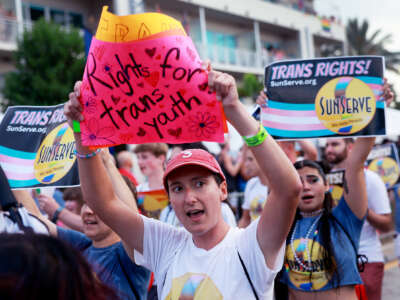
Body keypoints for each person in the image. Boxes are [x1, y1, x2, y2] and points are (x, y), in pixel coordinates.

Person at [64, 65, 302, 299]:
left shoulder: (251, 246)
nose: (189, 198)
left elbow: (288, 187)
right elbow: (102, 203)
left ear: (222, 189)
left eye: (199, 183)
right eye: (178, 188)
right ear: (170, 199)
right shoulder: (166, 245)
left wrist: (234, 110)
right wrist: (81, 131)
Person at [14, 149, 151, 300]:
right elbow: (35, 219)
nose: (89, 211)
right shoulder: (82, 244)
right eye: (87, 203)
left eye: (100, 205)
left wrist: (107, 161)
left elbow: (131, 225)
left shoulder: (129, 255)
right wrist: (12, 169)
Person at [279, 137, 375, 300]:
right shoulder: (282, 225)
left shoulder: (345, 217)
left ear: (326, 186)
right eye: (298, 182)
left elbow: (355, 163)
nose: (306, 186)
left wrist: (369, 117)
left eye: (313, 180)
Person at [324, 138, 392, 300]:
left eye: (334, 144)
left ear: (350, 147)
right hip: (333, 262)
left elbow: (387, 225)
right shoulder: (323, 181)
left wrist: (359, 207)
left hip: (365, 259)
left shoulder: (371, 179)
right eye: (326, 145)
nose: (329, 149)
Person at [0, 233, 117, 300]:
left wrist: (57, 210)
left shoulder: (126, 254)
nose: (89, 211)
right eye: (86, 204)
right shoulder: (79, 244)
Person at [238, 146, 269, 228]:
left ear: (263, 160)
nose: (246, 164)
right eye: (246, 160)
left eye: (250, 159)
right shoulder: (251, 184)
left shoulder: (278, 184)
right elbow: (245, 219)